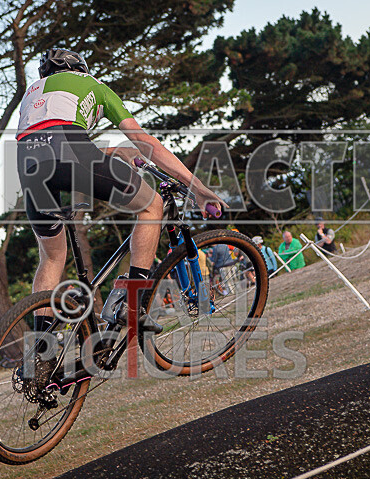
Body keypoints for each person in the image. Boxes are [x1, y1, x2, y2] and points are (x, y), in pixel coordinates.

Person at [16, 48, 223, 331]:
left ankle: (40, 350)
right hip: (70, 152)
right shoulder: (94, 85)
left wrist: (114, 150)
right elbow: (140, 138)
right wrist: (196, 185)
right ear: (81, 68)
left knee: (52, 257)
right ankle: (128, 301)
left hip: (27, 166)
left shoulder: (32, 93)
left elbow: (49, 142)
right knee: (151, 206)